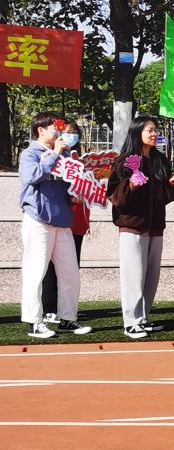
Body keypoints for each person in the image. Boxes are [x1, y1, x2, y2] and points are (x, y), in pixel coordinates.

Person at [107, 115, 174, 339]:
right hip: (132, 225)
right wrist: (130, 185)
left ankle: (143, 318)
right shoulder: (125, 161)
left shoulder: (159, 160)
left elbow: (164, 195)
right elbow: (114, 194)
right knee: (133, 275)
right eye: (150, 130)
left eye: (155, 130)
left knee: (151, 276)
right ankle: (131, 322)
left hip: (155, 225)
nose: (154, 134)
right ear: (137, 132)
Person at [19, 111, 91, 338]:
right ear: (40, 130)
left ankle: (68, 318)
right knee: (35, 272)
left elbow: (66, 187)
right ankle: (34, 322)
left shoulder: (66, 156)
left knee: (70, 274)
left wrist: (74, 197)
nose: (61, 135)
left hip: (62, 221)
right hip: (38, 219)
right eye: (56, 130)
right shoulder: (30, 154)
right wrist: (54, 154)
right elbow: (32, 176)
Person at [40, 118, 91, 325]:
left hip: (77, 219)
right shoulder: (53, 156)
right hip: (60, 217)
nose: (71, 136)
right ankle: (49, 308)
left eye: (74, 132)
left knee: (70, 267)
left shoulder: (80, 159)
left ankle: (66, 309)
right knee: (51, 267)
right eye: (67, 132)